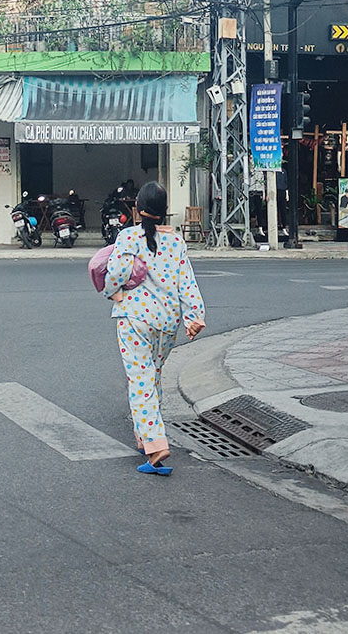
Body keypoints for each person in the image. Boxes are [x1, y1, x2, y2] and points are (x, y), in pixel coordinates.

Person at [104, 180, 205, 475]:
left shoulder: (128, 237)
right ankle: (144, 434)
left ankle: (155, 445)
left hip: (135, 319)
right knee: (154, 376)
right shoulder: (176, 243)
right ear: (163, 213)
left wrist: (115, 293)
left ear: (138, 208)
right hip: (167, 323)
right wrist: (194, 317)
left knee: (140, 381)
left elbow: (116, 272)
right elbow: (187, 283)